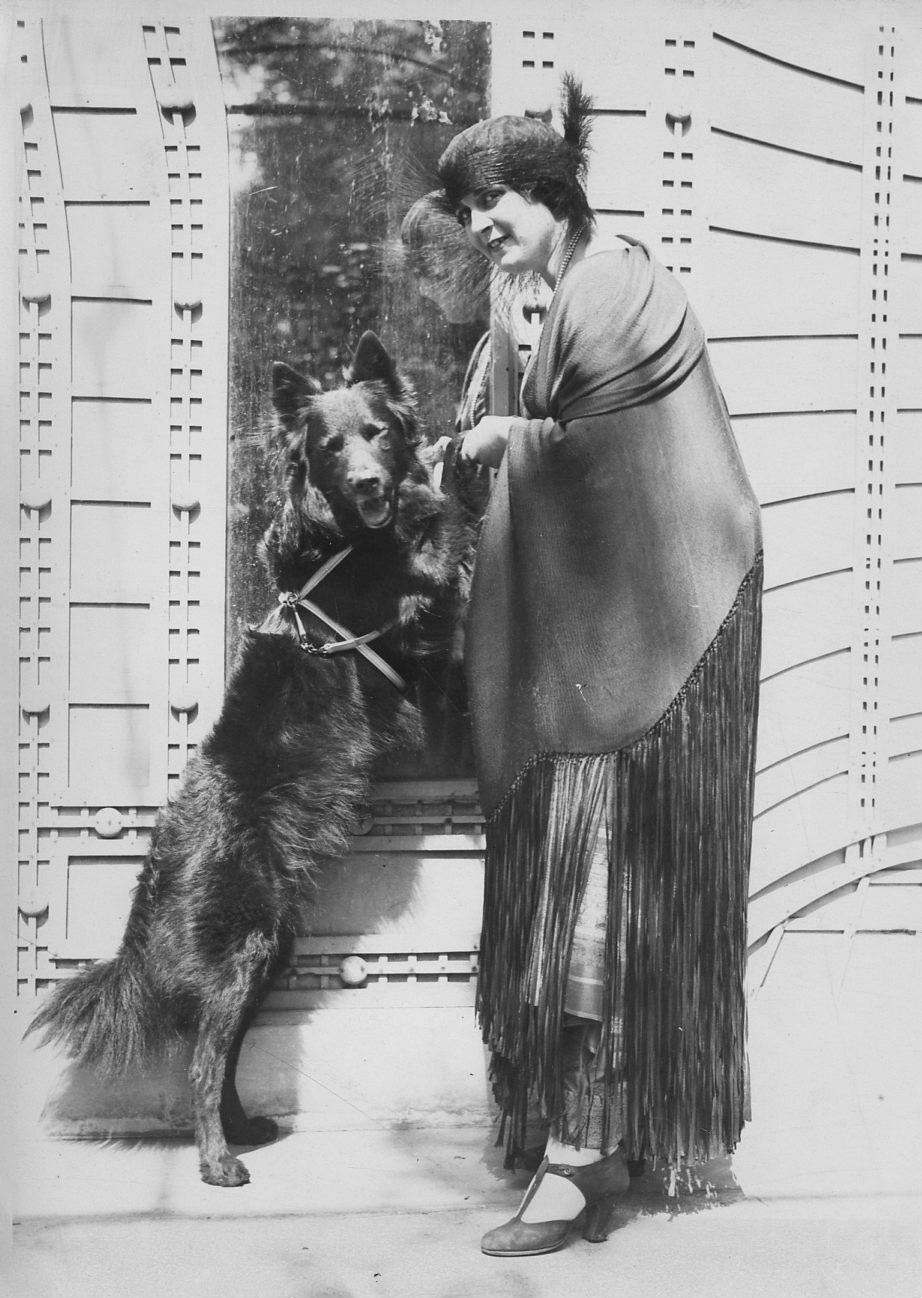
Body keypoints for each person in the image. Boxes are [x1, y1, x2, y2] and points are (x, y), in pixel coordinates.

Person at [420, 75, 764, 1258]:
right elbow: (542, 442)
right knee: (588, 902)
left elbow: (602, 462)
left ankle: (577, 1160)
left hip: (652, 642)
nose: (479, 225)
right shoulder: (550, 295)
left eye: (493, 201)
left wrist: (504, 439)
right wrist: (489, 435)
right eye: (468, 208)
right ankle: (587, 1139)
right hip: (611, 643)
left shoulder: (611, 286)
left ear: (551, 193)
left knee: (600, 901)